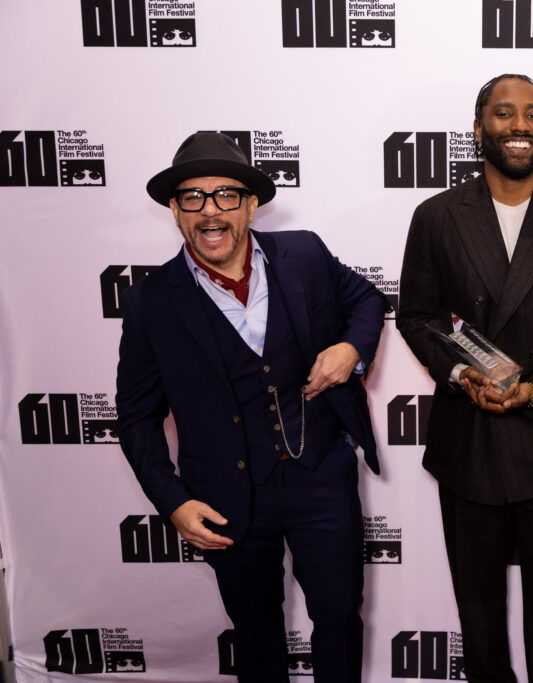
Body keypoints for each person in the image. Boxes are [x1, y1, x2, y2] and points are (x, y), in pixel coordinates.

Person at [115, 131, 386, 682]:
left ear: (251, 204)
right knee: (257, 639)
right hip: (225, 499)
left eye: (226, 195)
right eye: (192, 197)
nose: (209, 211)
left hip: (320, 476)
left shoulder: (304, 253)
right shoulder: (151, 300)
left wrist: (350, 349)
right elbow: (137, 417)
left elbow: (367, 299)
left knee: (338, 617)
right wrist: (173, 503)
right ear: (174, 209)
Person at [396, 74, 533, 682]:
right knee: (480, 621)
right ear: (478, 130)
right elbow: (415, 316)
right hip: (467, 447)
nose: (519, 125)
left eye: (532, 114)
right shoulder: (437, 216)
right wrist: (459, 371)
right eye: (504, 113)